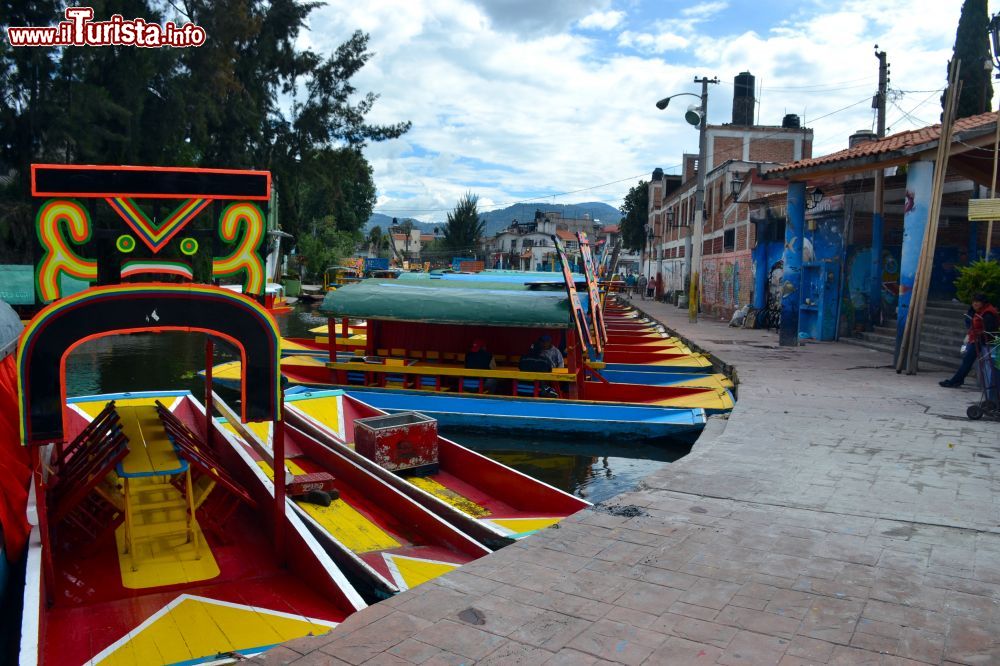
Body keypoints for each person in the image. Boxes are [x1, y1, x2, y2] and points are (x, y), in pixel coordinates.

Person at [940, 293, 999, 388]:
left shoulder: (988, 313)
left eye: (977, 302)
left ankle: (955, 381)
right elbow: (970, 319)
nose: (975, 304)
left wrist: (977, 337)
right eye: (974, 302)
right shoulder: (978, 310)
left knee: (968, 361)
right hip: (975, 338)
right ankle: (957, 380)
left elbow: (988, 330)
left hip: (982, 341)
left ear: (983, 303)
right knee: (966, 358)